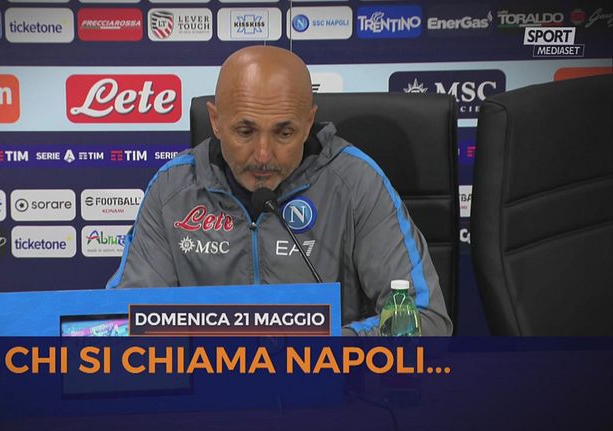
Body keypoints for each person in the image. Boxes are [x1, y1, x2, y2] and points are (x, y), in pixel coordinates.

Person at [106, 46, 453, 336]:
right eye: (245, 131)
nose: (263, 155)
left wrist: (324, 350)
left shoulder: (356, 182)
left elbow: (425, 320)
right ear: (215, 121)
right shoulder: (173, 189)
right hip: (207, 384)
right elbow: (122, 320)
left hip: (328, 384)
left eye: (284, 133)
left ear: (308, 122)